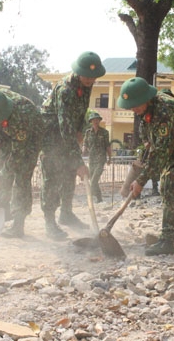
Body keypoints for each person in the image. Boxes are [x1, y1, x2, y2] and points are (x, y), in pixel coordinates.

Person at [117, 77, 174, 256]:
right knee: (169, 185)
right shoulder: (147, 112)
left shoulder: (164, 111)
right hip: (173, 146)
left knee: (171, 182)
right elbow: (152, 144)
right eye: (130, 105)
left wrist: (141, 180)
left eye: (135, 104)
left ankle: (167, 241)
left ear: (146, 98)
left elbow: (162, 150)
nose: (133, 109)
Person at [39, 51, 106, 240]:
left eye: (94, 77)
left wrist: (80, 131)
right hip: (51, 136)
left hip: (67, 132)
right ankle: (49, 221)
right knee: (51, 177)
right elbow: (64, 126)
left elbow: (81, 113)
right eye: (87, 76)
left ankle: (66, 214)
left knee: (69, 174)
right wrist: (78, 160)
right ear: (78, 72)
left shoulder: (86, 85)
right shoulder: (66, 90)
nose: (90, 80)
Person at [0, 87, 43, 238]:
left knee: (21, 178)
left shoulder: (22, 118)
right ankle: (3, 210)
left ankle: (18, 225)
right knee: (0, 165)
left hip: (30, 141)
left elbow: (18, 155)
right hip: (6, 133)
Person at [82, 112, 112, 203]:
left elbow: (107, 146)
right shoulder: (88, 132)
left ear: (99, 121)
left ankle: (89, 196)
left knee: (94, 179)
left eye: (97, 120)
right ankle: (99, 198)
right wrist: (83, 150)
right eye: (94, 120)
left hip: (101, 159)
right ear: (91, 121)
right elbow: (85, 143)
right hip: (92, 159)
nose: (95, 121)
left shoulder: (105, 132)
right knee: (93, 179)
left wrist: (110, 158)